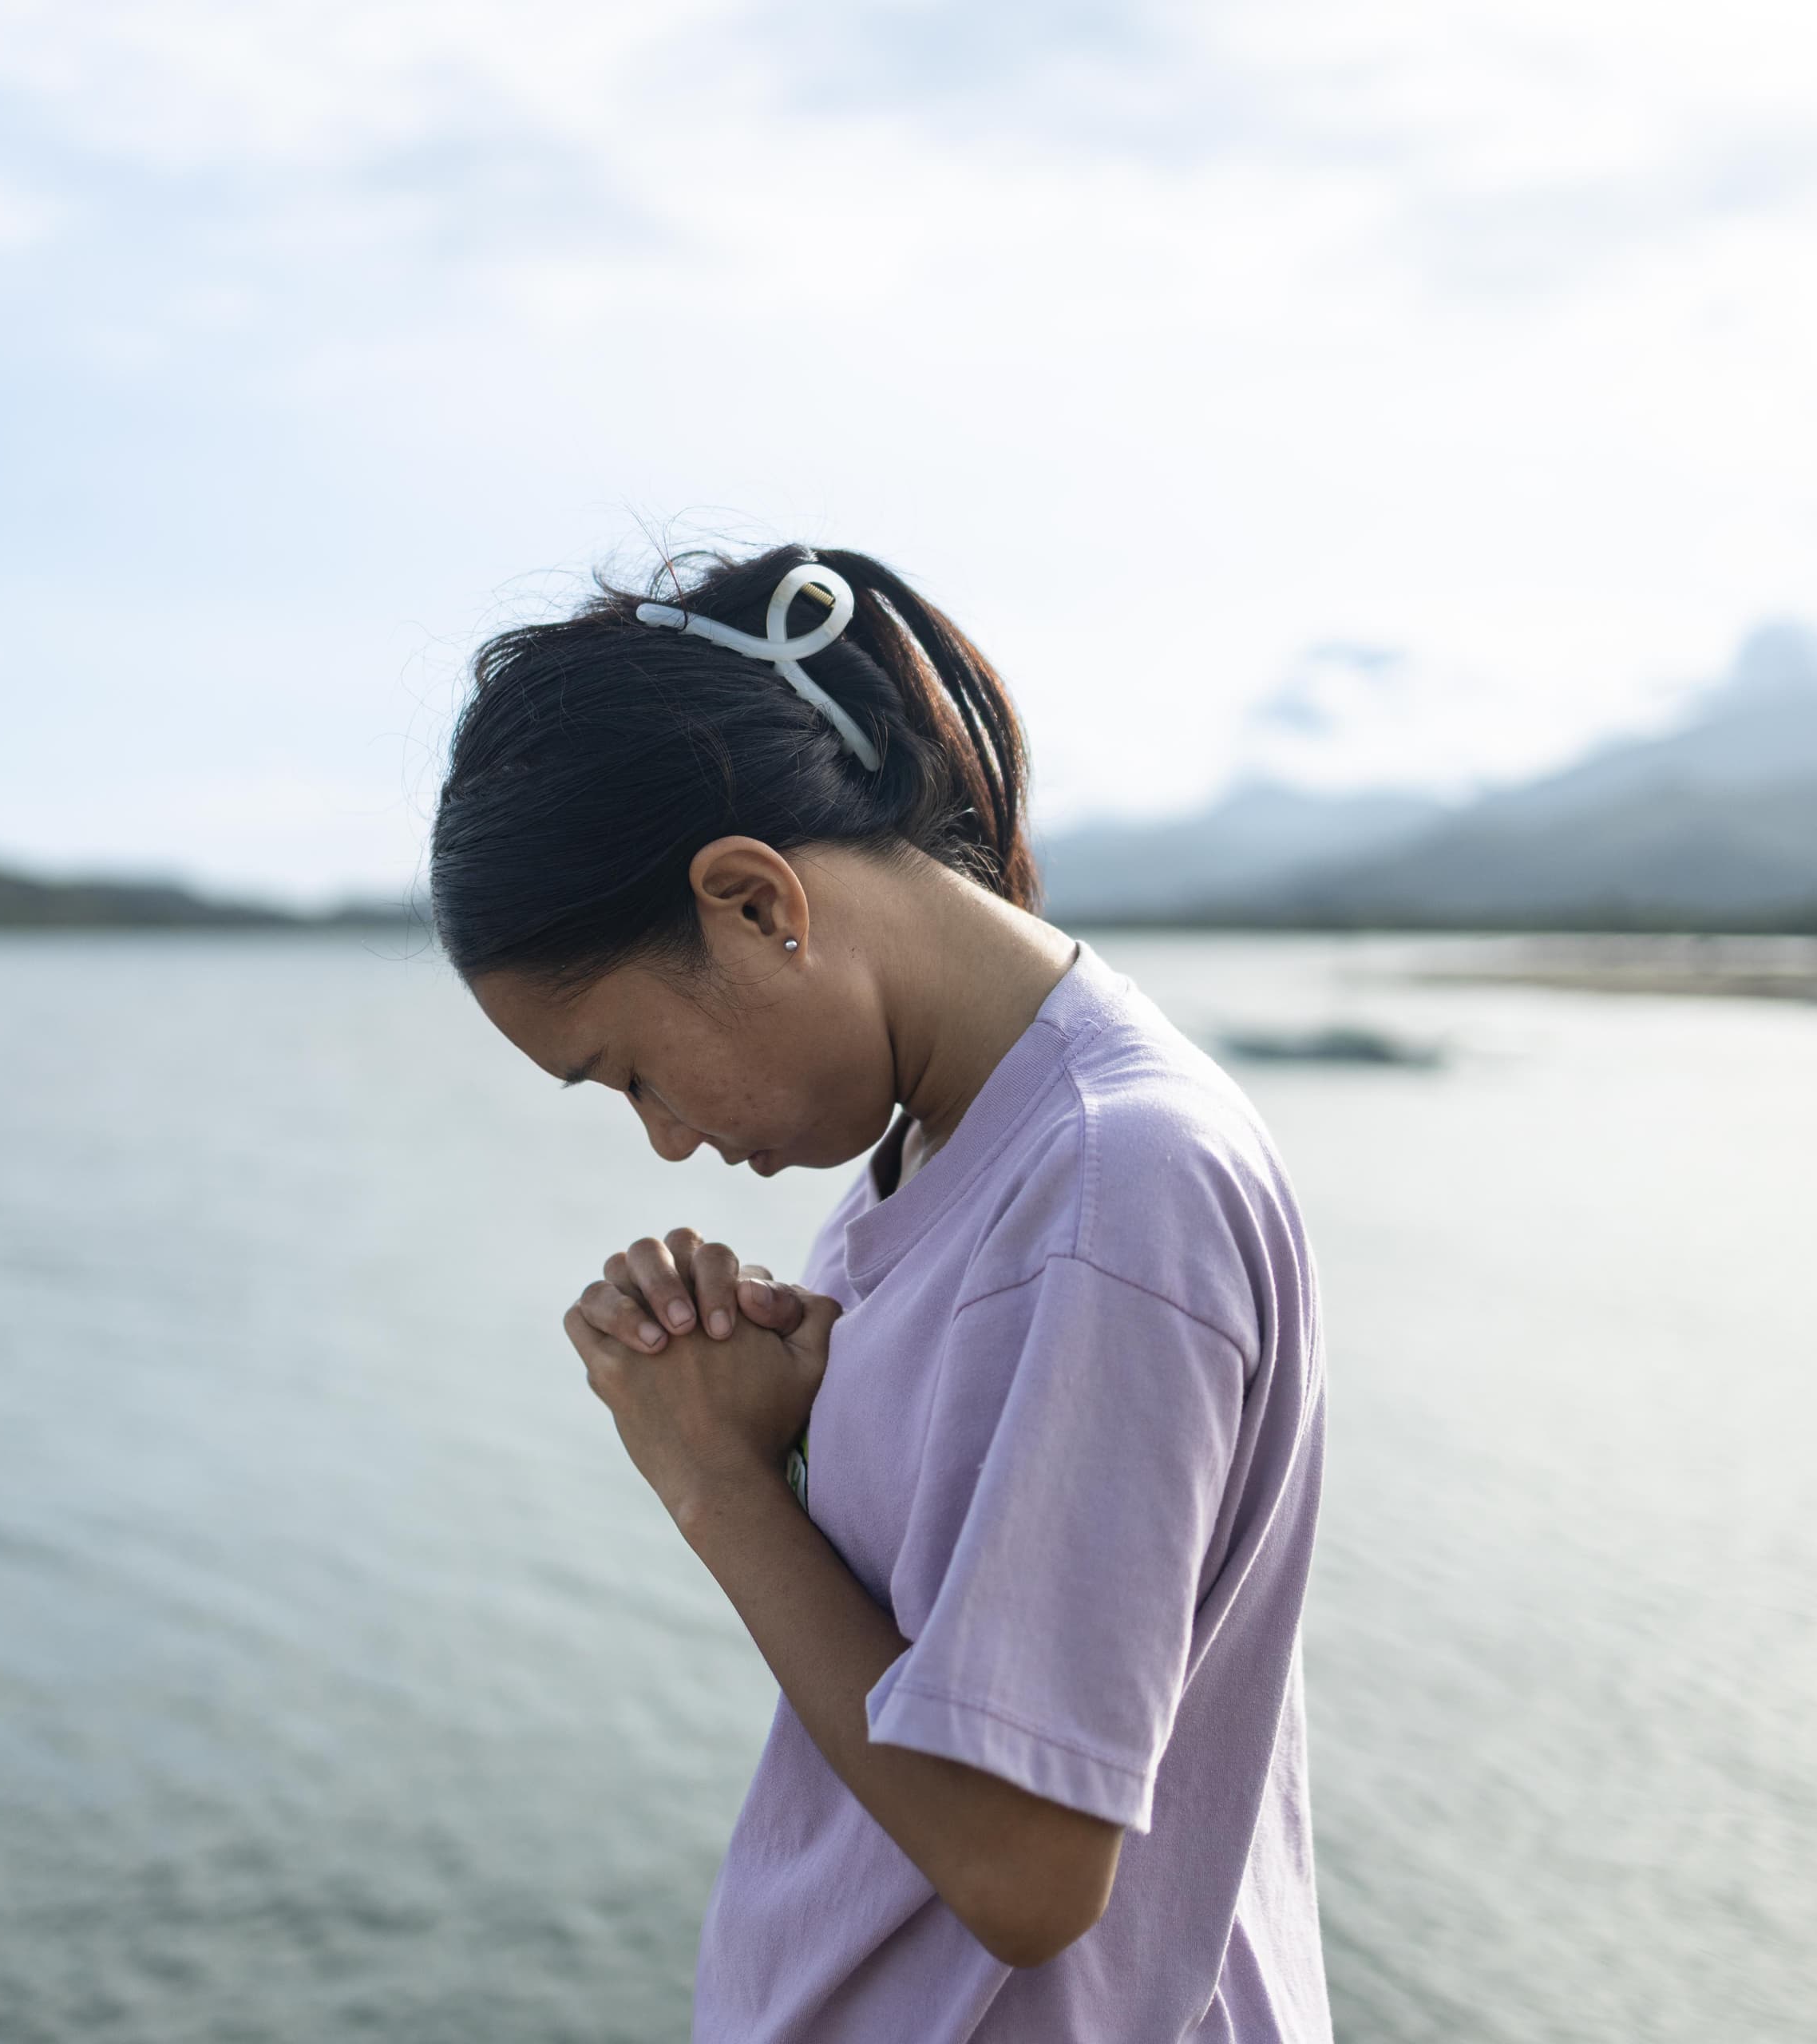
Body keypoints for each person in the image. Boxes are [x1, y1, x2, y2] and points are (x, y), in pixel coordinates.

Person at [427, 545, 1332, 2042]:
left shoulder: (1115, 1187)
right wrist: (790, 1419)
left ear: (752, 901)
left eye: (630, 1070)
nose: (664, 1137)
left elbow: (1026, 1867)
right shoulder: (939, 1153)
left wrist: (716, 1479)